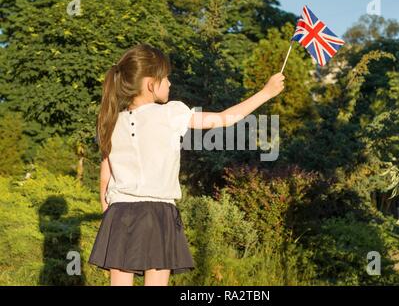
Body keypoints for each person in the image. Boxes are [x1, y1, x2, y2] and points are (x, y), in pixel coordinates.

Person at [88, 43, 285, 286]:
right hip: (157, 213)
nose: (170, 83)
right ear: (151, 84)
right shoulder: (171, 113)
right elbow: (222, 119)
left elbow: (106, 168)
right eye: (166, 77)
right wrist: (266, 93)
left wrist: (105, 206)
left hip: (118, 213)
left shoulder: (111, 119)